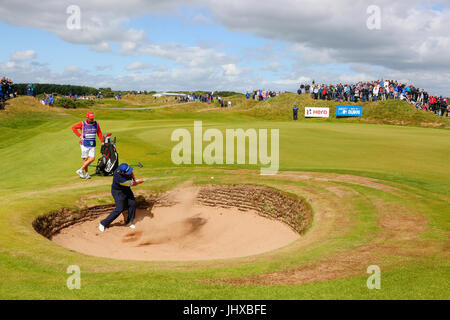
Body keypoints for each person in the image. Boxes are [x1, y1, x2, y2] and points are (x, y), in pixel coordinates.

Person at [99, 163, 144, 232]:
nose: (129, 173)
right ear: (122, 172)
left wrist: (135, 179)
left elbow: (131, 172)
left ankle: (129, 222)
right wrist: (139, 182)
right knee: (119, 208)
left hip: (126, 189)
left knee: (133, 203)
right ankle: (103, 223)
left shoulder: (124, 167)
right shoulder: (119, 178)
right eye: (127, 173)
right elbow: (133, 184)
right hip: (118, 192)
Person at [71, 112, 104, 179]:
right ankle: (86, 173)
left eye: (93, 118)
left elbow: (99, 132)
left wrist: (102, 141)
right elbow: (73, 128)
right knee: (85, 159)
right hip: (84, 143)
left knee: (92, 158)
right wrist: (79, 135)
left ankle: (80, 170)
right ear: (87, 118)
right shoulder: (82, 123)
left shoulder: (96, 124)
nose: (92, 120)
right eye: (91, 119)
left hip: (92, 143)